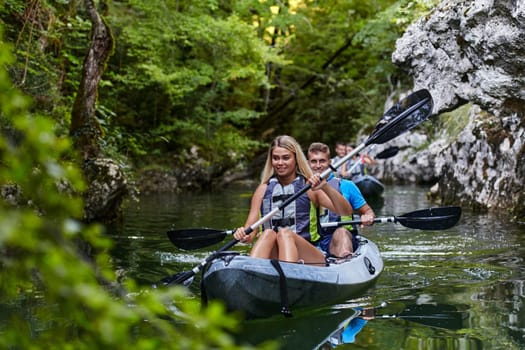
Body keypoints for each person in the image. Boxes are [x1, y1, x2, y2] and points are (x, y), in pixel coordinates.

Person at [232, 135, 352, 266]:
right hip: (275, 254)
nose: (280, 163)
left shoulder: (309, 187)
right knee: (267, 233)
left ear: (296, 159)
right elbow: (250, 234)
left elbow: (345, 211)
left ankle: (289, 275)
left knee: (284, 234)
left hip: (310, 256)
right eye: (276, 158)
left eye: (286, 158)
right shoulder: (263, 189)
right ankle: (251, 271)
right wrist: (243, 235)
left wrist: (325, 186)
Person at [308, 142, 375, 258]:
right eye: (314, 161)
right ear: (308, 163)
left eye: (322, 161)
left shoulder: (347, 185)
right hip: (313, 241)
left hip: (343, 237)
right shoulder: (300, 188)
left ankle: (345, 260)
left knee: (341, 232)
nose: (318, 166)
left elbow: (367, 211)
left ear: (330, 162)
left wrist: (368, 216)